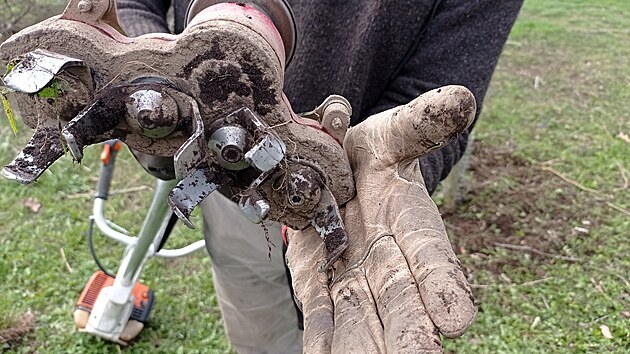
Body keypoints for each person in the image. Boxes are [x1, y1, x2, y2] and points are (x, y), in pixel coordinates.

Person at [116, 0, 524, 352]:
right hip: (232, 194)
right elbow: (129, 6)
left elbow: (437, 94)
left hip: (355, 203)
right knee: (258, 326)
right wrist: (155, 75)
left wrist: (379, 169)